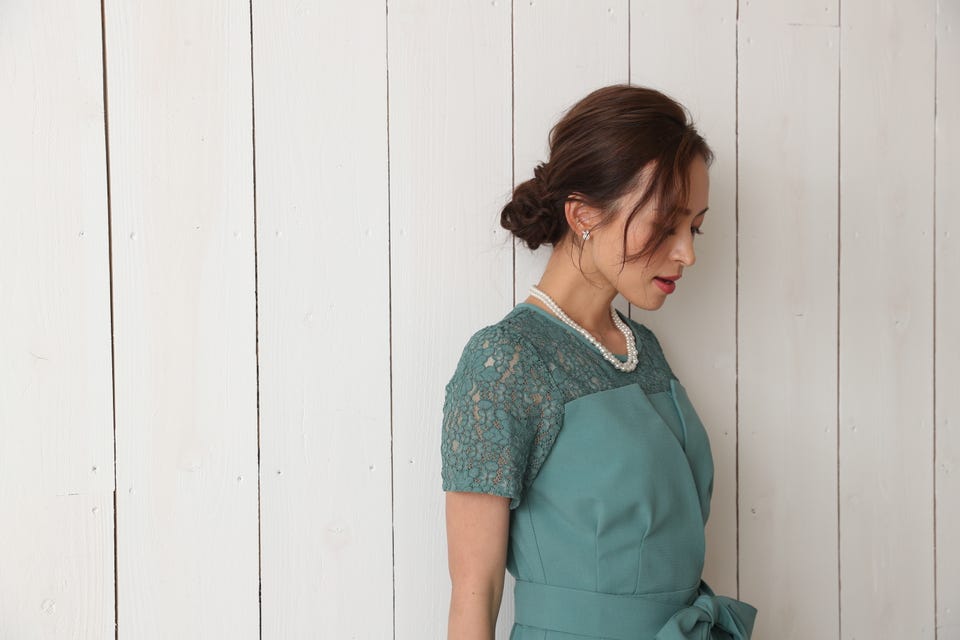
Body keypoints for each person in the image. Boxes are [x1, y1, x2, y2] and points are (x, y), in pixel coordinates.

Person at [440, 84, 758, 640]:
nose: (687, 253)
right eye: (666, 225)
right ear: (583, 214)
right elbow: (475, 593)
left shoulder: (644, 350)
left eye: (694, 227)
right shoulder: (506, 361)